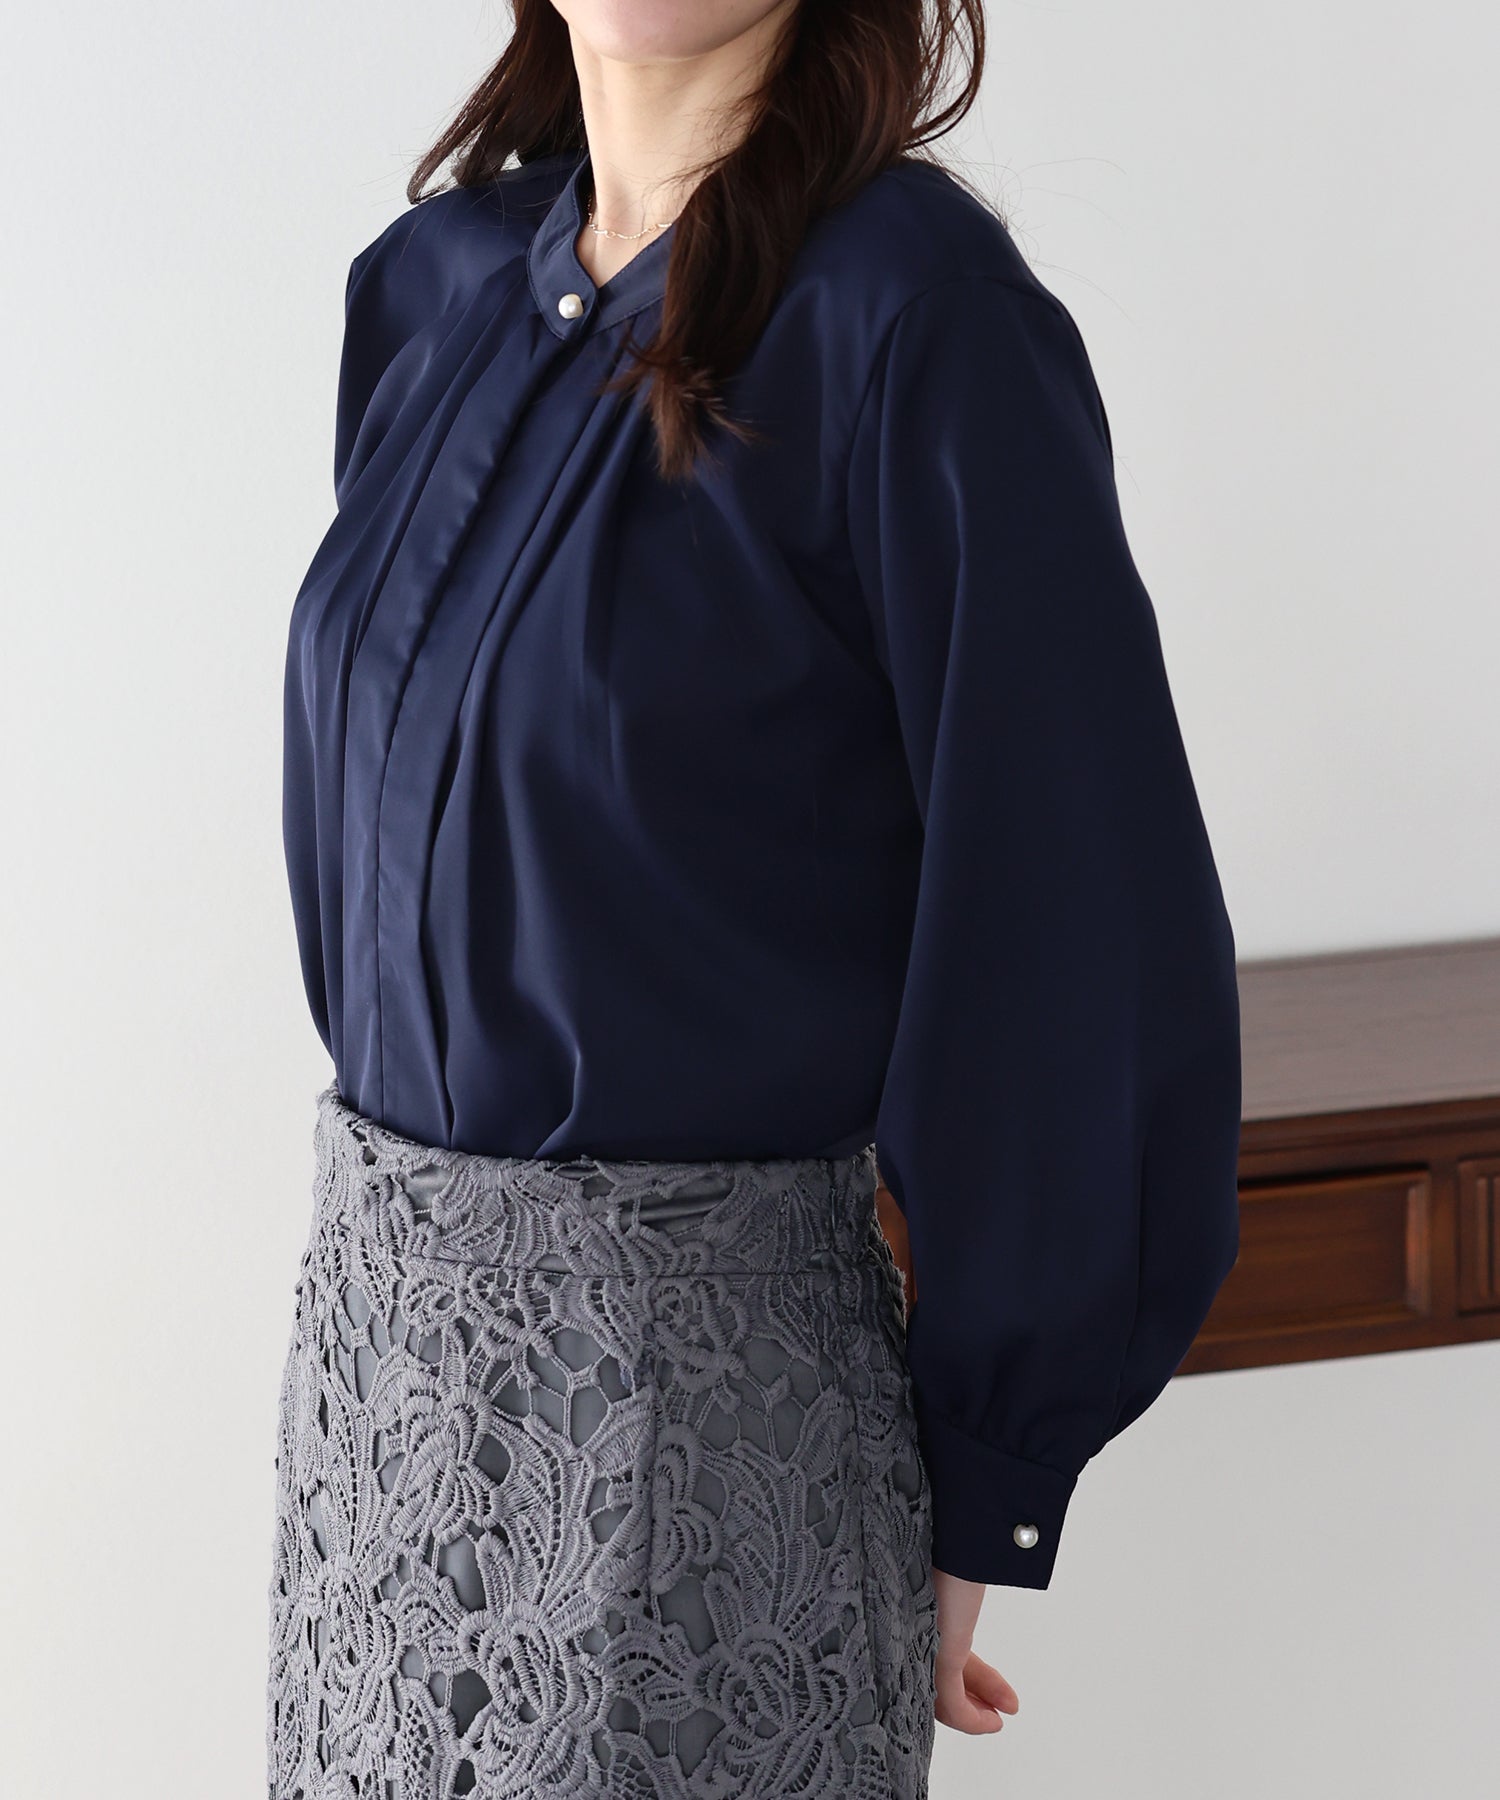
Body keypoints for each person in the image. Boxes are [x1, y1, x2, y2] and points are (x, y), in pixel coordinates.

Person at [265, 1, 1243, 1795]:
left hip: (701, 1433)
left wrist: (991, 1470)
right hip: (375, 1415)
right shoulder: (432, 288)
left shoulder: (918, 319)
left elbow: (1069, 915)